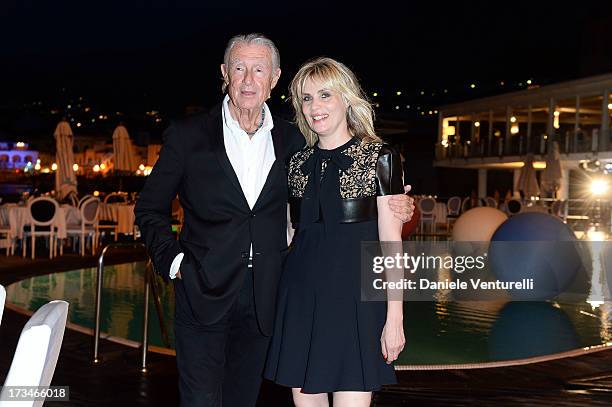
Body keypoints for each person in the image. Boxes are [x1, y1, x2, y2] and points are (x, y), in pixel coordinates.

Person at [135, 34, 414, 407]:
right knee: (200, 399)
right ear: (225, 74)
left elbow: (373, 229)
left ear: (274, 78)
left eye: (259, 70)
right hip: (210, 291)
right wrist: (176, 263)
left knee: (244, 399)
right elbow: (149, 208)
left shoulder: (293, 141)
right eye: (239, 68)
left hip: (272, 298)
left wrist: (399, 205)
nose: (248, 79)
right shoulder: (191, 135)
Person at [264, 57, 405, 406]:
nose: (315, 106)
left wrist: (395, 318)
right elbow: (291, 235)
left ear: (346, 98)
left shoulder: (381, 157)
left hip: (355, 306)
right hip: (300, 302)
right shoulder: (295, 162)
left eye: (325, 95)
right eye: (307, 98)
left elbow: (391, 245)